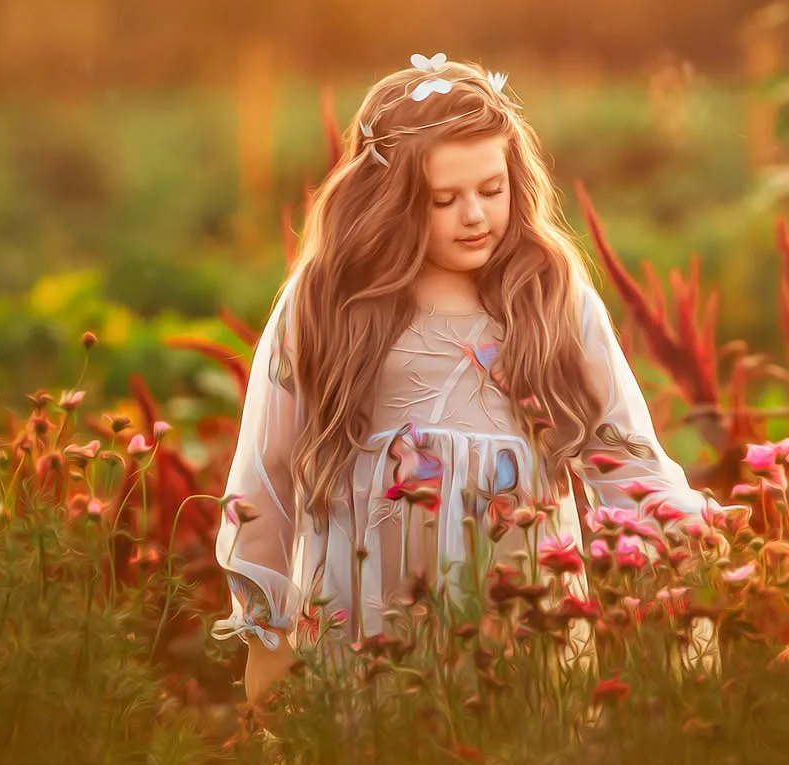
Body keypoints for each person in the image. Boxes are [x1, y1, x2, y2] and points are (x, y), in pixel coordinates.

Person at [211, 53, 733, 711]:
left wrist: (695, 545)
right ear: (390, 200)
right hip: (367, 612)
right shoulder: (329, 303)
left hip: (519, 607)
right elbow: (269, 470)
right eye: (443, 199)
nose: (475, 217)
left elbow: (620, 451)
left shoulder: (548, 296)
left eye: (491, 189)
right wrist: (267, 633)